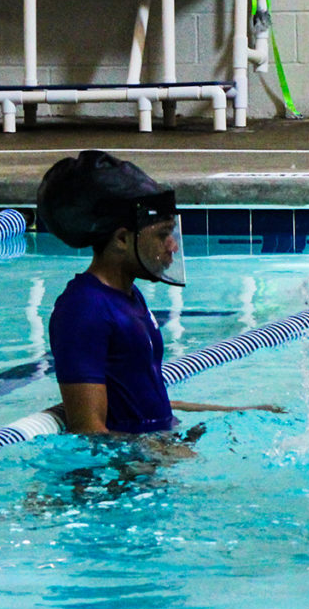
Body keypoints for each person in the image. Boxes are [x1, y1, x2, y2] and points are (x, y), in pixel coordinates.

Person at [37, 150, 279, 436]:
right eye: (162, 235)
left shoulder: (128, 296)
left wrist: (237, 412)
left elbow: (149, 400)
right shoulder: (83, 309)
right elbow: (88, 431)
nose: (173, 247)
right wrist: (159, 454)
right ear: (123, 239)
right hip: (125, 476)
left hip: (152, 457)